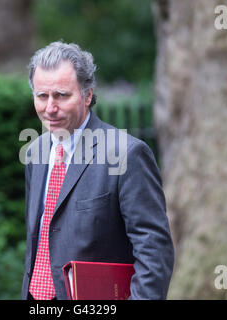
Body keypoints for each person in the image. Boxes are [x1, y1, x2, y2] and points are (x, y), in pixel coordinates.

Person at [21, 41, 174, 300]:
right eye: (42, 96)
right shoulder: (35, 153)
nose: (49, 108)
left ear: (88, 95)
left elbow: (154, 250)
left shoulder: (127, 154)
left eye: (61, 95)